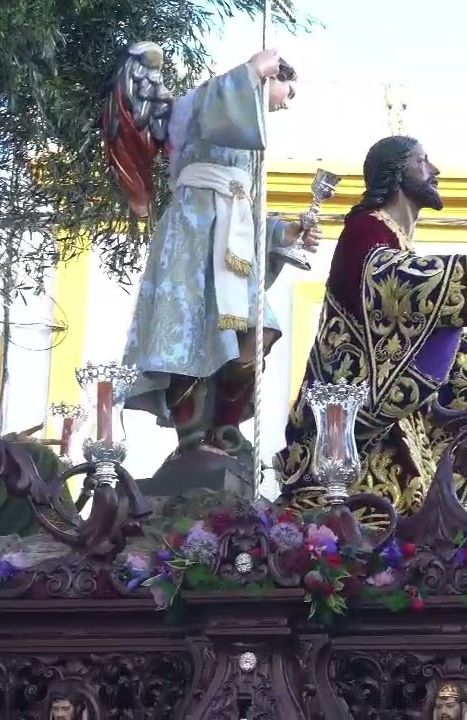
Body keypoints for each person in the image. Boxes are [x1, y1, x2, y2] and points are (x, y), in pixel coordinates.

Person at [276, 135, 467, 516]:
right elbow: (388, 281)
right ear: (397, 172)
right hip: (352, 412)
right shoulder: (365, 229)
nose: (434, 171)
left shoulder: (394, 238)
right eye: (423, 161)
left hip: (395, 423)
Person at [103, 45, 322, 475]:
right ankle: (191, 437)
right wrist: (253, 68)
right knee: (188, 335)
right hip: (194, 231)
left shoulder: (252, 143)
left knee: (260, 330)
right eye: (285, 88)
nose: (288, 102)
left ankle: (224, 427)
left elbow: (251, 209)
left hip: (233, 235)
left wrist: (286, 232)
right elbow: (217, 101)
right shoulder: (201, 102)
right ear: (268, 78)